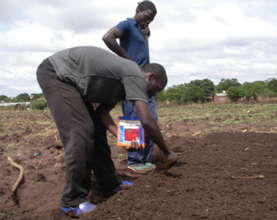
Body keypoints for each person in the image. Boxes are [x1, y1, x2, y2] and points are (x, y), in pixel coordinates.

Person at [36, 46, 177, 216]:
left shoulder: (122, 85)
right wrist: (167, 152)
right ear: (150, 77)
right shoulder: (135, 74)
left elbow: (102, 113)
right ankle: (72, 201)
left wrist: (121, 137)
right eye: (158, 88)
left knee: (96, 130)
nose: (154, 94)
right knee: (80, 132)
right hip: (57, 73)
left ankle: (109, 184)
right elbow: (148, 121)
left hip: (73, 82)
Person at [103, 0, 158, 174]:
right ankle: (134, 161)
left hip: (145, 82)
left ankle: (146, 160)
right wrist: (128, 61)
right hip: (131, 79)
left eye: (152, 20)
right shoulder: (127, 24)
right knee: (134, 121)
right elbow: (108, 37)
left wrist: (146, 34)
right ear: (139, 11)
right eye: (147, 17)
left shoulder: (142, 30)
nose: (148, 21)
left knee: (151, 119)